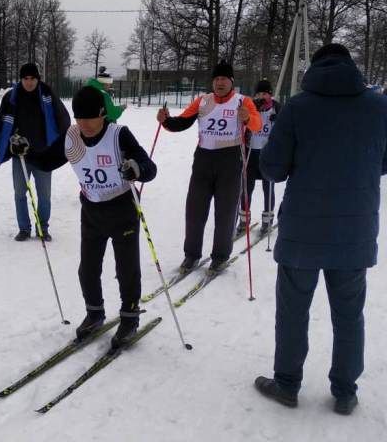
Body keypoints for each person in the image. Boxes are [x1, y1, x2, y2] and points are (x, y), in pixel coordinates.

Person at [254, 43, 387, 415]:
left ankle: (287, 383)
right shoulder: (379, 106)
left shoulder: (298, 107)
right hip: (355, 229)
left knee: (293, 309)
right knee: (349, 312)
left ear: (313, 68)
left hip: (302, 231)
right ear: (352, 66)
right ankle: (345, 391)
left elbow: (274, 169)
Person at [10, 86, 157, 349]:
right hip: (92, 210)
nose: (84, 124)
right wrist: (24, 151)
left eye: (89, 117)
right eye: (79, 118)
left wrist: (136, 168)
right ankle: (95, 313)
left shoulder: (118, 135)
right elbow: (46, 161)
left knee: (127, 269)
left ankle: (130, 317)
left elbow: (149, 167)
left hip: (122, 208)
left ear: (102, 114)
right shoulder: (72, 136)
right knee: (87, 269)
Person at [156, 60, 261, 273]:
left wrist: (247, 117)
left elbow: (257, 126)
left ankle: (220, 256)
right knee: (194, 210)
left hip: (230, 160)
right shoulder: (203, 101)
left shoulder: (243, 101)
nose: (220, 83)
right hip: (203, 159)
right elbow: (182, 122)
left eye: (224, 79)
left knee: (225, 211)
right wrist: (166, 120)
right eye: (216, 79)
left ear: (231, 81)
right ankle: (191, 255)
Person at [0, 63, 70, 241]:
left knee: (44, 196)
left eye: (33, 78)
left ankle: (42, 228)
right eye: (25, 79)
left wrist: (64, 143)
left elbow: (63, 118)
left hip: (44, 155)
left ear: (38, 79)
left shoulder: (46, 93)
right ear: (21, 79)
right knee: (19, 193)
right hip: (20, 155)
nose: (29, 82)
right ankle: (24, 228)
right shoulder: (11, 97)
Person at [235, 79, 282, 236]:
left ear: (270, 95)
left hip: (268, 153)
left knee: (268, 187)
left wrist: (279, 122)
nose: (261, 96)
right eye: (258, 94)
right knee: (247, 188)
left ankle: (267, 220)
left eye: (264, 93)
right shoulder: (251, 107)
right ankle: (243, 220)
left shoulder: (277, 108)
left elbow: (287, 128)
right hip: (251, 152)